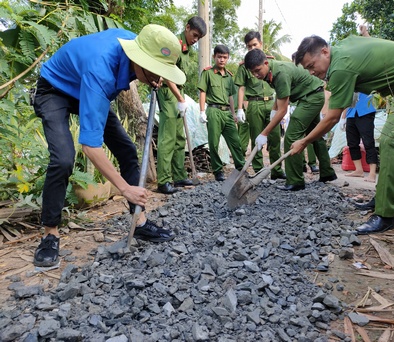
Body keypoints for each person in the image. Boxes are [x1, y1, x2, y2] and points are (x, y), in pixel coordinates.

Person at [32, 24, 182, 267]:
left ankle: (140, 222)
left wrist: (152, 75)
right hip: (55, 89)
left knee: (127, 150)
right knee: (63, 159)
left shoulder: (142, 42)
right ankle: (50, 233)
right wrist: (125, 188)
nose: (158, 76)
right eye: (154, 71)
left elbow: (142, 67)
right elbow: (90, 148)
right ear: (139, 58)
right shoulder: (101, 69)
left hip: (86, 87)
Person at [292, 29, 394, 234]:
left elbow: (332, 117)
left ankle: (385, 216)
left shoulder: (340, 68)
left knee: (390, 140)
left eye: (312, 66)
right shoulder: (342, 46)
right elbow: (368, 46)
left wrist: (304, 141)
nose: (311, 72)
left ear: (325, 52)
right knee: (389, 140)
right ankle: (381, 200)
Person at [244, 49, 337, 191]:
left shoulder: (280, 73)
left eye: (258, 70)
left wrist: (264, 133)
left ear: (266, 63)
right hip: (311, 95)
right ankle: (327, 173)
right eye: (253, 73)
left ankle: (295, 181)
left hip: (311, 98)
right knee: (316, 136)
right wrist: (273, 109)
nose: (256, 75)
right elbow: (280, 96)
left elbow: (283, 110)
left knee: (291, 137)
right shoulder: (270, 72)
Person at [156, 16, 207, 194]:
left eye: (199, 38)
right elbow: (166, 73)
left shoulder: (186, 50)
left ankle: (178, 176)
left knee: (179, 138)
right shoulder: (175, 44)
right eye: (194, 35)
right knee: (168, 137)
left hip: (178, 94)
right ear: (187, 28)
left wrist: (181, 97)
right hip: (169, 93)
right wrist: (180, 98)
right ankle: (163, 181)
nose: (195, 40)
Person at [234, 31, 285, 179]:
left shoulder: (270, 61)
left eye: (255, 45)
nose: (252, 48)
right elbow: (241, 87)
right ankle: (258, 170)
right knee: (256, 138)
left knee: (275, 138)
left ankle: (276, 171)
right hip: (254, 104)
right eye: (249, 46)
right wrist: (239, 109)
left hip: (272, 103)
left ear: (261, 44)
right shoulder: (244, 66)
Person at [197, 44, 245, 181]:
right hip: (213, 111)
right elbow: (203, 92)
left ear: (228, 58)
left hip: (227, 113)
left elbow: (230, 96)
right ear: (214, 57)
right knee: (213, 143)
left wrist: (234, 113)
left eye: (225, 57)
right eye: (219, 57)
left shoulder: (229, 76)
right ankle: (218, 171)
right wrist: (202, 111)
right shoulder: (207, 73)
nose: (222, 60)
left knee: (235, 141)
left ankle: (241, 167)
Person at [340, 92, 378, 183]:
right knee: (352, 142)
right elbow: (347, 98)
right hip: (351, 112)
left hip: (366, 111)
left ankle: (372, 173)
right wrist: (343, 117)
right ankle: (358, 170)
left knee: (368, 142)